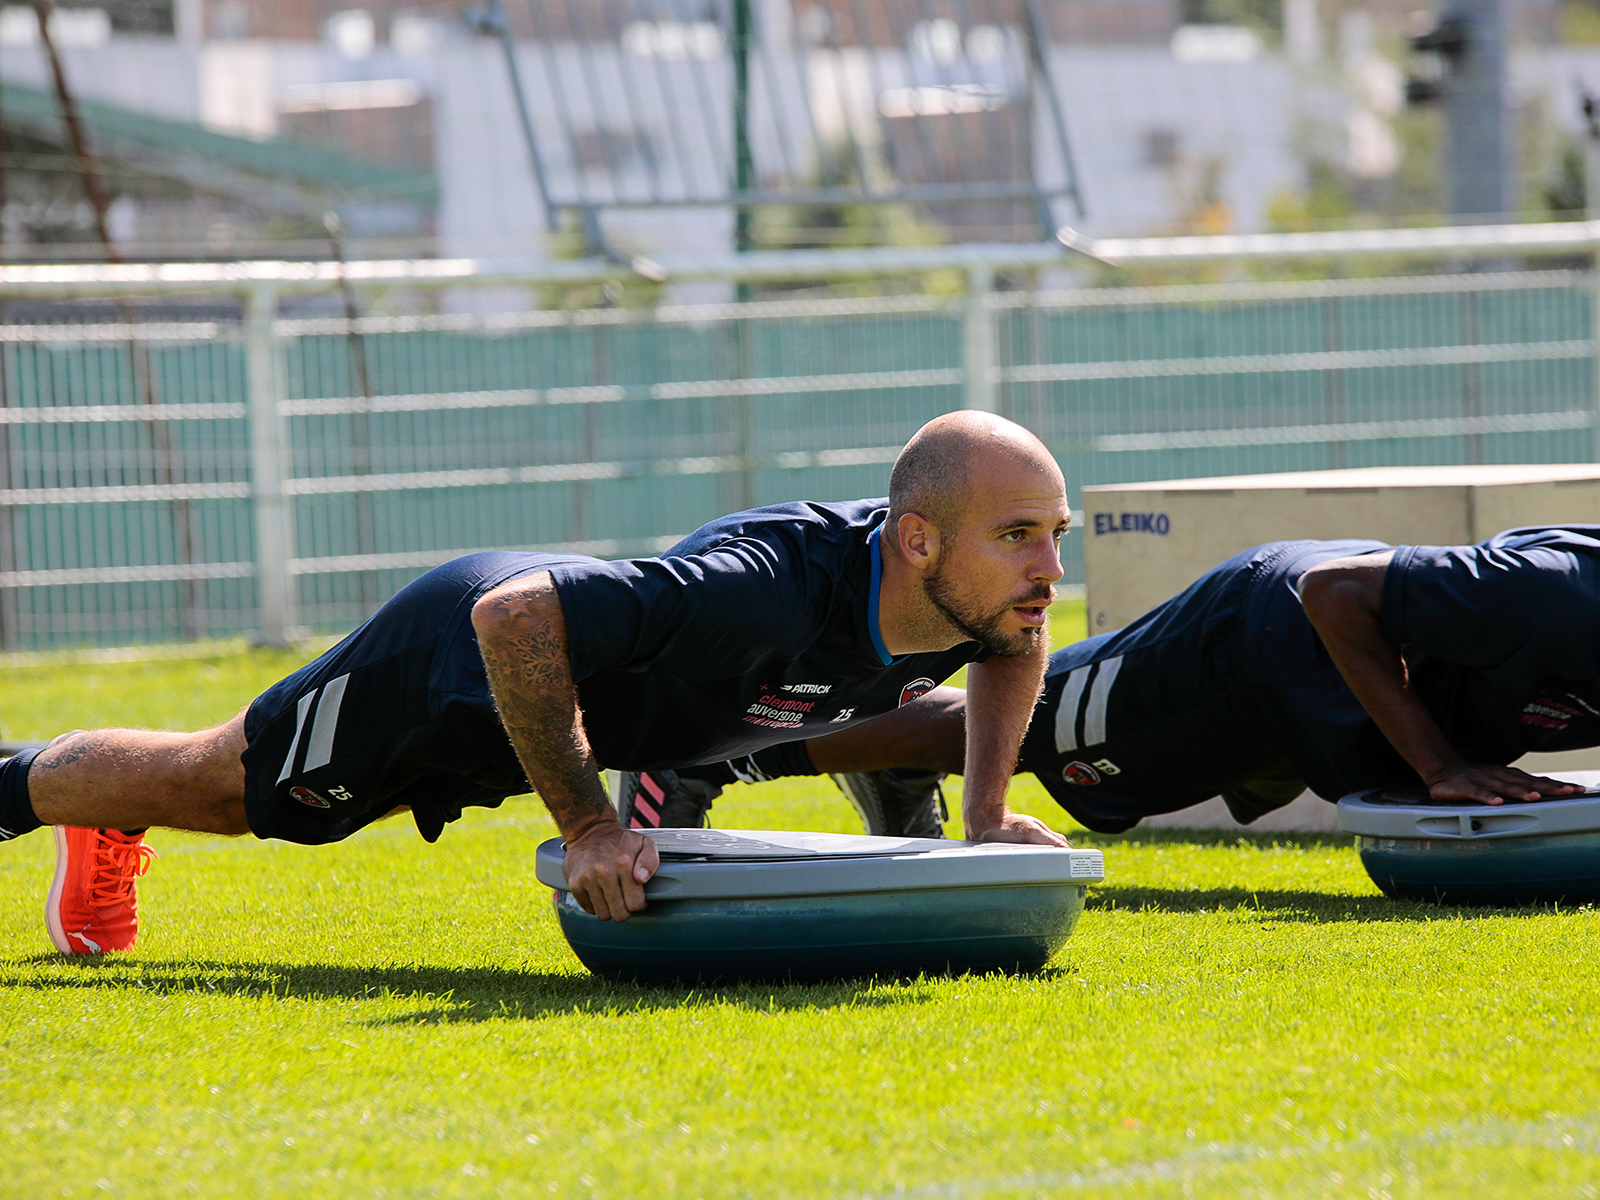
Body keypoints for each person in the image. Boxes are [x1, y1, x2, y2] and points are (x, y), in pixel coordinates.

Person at [10, 411, 1072, 954]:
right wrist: (588, 831)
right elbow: (515, 615)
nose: (1047, 570)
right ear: (919, 540)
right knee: (226, 792)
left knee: (896, 714)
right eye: (1018, 537)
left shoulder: (978, 600)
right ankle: (26, 789)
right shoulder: (764, 590)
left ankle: (865, 790)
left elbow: (1015, 648)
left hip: (619, 706)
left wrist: (987, 814)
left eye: (1053, 537)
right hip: (466, 654)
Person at [632, 528, 1600, 836]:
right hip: (1257, 643)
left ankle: (885, 776)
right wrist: (1436, 765)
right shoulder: (1557, 595)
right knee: (1027, 723)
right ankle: (706, 756)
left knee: (1030, 737)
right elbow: (1333, 592)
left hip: (1336, 715)